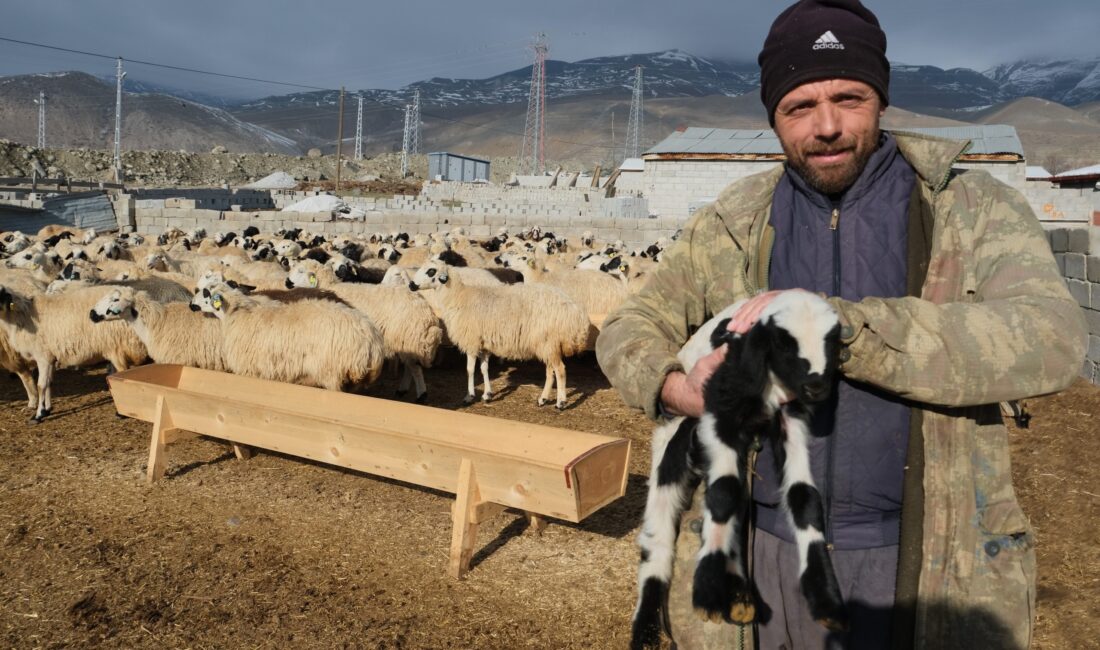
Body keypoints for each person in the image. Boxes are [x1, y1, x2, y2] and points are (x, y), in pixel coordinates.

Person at [596, 0, 1087, 648]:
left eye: (849, 98)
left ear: (881, 98)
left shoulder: (971, 211)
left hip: (927, 564)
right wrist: (675, 386)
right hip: (764, 551)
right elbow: (630, 324)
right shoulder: (735, 222)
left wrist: (838, 328)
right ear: (772, 117)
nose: (827, 125)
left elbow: (1052, 338)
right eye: (800, 107)